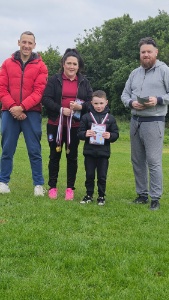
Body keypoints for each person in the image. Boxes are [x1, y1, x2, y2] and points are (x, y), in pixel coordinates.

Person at [121, 37, 169, 211]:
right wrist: (131, 103)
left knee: (154, 161)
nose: (146, 55)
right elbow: (124, 95)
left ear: (156, 52)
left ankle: (155, 198)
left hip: (154, 121)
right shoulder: (135, 73)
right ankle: (142, 194)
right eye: (143, 52)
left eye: (149, 51)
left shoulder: (164, 70)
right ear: (139, 54)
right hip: (136, 121)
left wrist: (158, 99)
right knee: (137, 160)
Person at [0, 31, 48, 196]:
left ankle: (38, 185)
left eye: (30, 43)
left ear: (34, 45)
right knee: (7, 149)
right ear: (19, 42)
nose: (26, 45)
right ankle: (3, 182)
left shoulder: (41, 66)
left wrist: (22, 107)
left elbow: (39, 91)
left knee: (34, 150)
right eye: (24, 42)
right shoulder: (6, 63)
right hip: (9, 112)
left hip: (31, 113)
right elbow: (2, 88)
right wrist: (13, 107)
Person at [42, 48, 93, 200]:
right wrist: (60, 109)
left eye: (74, 64)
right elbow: (45, 99)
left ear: (79, 66)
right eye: (68, 63)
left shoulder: (84, 82)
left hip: (75, 126)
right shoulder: (54, 80)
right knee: (54, 156)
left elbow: (91, 102)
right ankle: (52, 187)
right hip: (55, 124)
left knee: (72, 157)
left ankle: (70, 188)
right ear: (63, 64)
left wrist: (80, 107)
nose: (71, 66)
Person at [77, 90, 119, 205]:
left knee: (102, 176)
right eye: (96, 103)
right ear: (91, 103)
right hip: (89, 152)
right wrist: (85, 133)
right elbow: (79, 133)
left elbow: (116, 134)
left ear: (106, 102)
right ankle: (89, 195)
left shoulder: (110, 118)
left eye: (101, 103)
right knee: (89, 175)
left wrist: (110, 136)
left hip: (103, 153)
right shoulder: (86, 117)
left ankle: (101, 196)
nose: (98, 106)